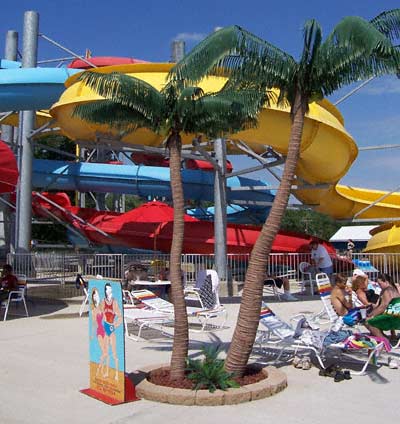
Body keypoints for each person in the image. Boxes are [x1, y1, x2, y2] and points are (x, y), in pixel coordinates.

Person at [367, 273, 400, 343]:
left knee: (368, 322)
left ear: (386, 282)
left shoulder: (387, 291)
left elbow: (383, 306)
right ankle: (384, 338)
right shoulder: (392, 289)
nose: (379, 286)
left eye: (380, 284)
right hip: (395, 316)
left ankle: (384, 341)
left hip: (394, 318)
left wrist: (371, 315)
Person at [100, 283, 122, 381]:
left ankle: (117, 374)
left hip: (111, 327)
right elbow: (99, 313)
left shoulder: (114, 302)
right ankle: (107, 372)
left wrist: (115, 325)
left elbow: (120, 316)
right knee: (106, 352)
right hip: (105, 328)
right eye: (107, 289)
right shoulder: (103, 302)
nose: (108, 291)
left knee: (114, 354)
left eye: (110, 289)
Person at [90, 288, 107, 377]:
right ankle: (99, 371)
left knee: (106, 353)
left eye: (97, 295)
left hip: (105, 331)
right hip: (100, 332)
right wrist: (92, 335)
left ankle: (101, 370)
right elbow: (94, 323)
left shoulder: (101, 306)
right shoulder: (94, 310)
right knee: (104, 352)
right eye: (94, 295)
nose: (96, 297)